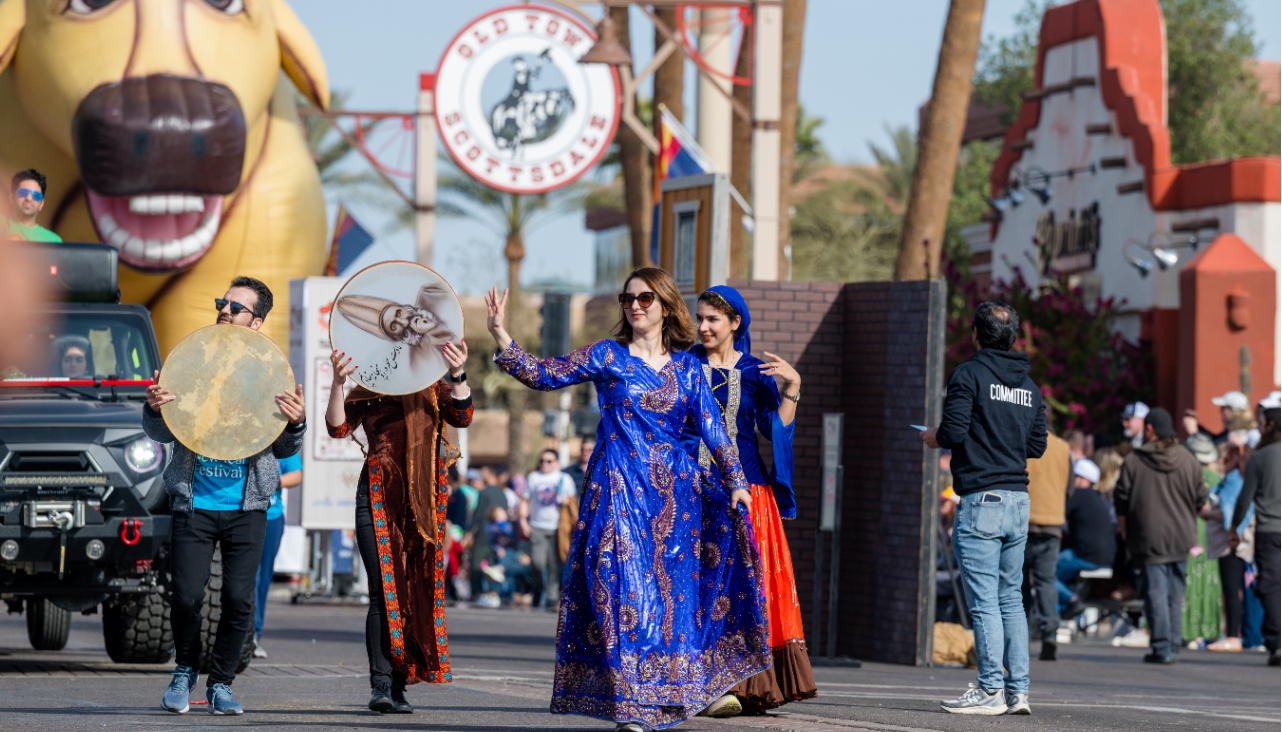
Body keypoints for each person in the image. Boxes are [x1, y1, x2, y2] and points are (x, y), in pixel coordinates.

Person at [486, 268, 769, 732]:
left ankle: (665, 693)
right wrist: (501, 333)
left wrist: (736, 480)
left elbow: (716, 433)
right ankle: (629, 703)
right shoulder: (607, 356)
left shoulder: (689, 369)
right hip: (616, 488)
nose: (635, 305)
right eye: (628, 298)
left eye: (645, 298)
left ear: (665, 305)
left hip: (676, 500)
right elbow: (542, 375)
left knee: (667, 598)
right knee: (618, 586)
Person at [145, 277, 306, 715]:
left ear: (256, 323)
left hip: (247, 507)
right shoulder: (191, 361)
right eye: (222, 303)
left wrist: (294, 424)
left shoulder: (272, 371)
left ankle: (220, 683)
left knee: (239, 599)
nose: (224, 311)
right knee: (186, 597)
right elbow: (161, 432)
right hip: (195, 502)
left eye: (236, 308)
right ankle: (184, 671)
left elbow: (284, 449)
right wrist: (154, 409)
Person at [683, 285, 816, 717]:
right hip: (692, 492)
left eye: (712, 319)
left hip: (747, 494)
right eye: (700, 318)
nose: (702, 326)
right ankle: (702, 684)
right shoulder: (683, 366)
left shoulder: (757, 371)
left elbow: (773, 431)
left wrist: (792, 387)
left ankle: (748, 685)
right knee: (697, 586)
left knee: (749, 589)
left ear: (735, 323)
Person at [324, 334, 472, 712]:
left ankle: (401, 684)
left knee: (413, 590)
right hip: (376, 497)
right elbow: (338, 428)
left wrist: (458, 373)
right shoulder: (369, 384)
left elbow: (463, 416)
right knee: (382, 591)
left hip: (424, 503)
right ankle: (381, 686)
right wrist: (338, 383)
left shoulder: (434, 385)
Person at [922, 300, 1047, 716]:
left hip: (982, 500)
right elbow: (1037, 446)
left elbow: (954, 431)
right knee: (1012, 598)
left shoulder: (969, 375)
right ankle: (1018, 692)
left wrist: (933, 436)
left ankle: (991, 689)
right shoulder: (1030, 387)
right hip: (1018, 500)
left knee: (985, 603)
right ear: (1012, 338)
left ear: (975, 333)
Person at [1113, 407, 1207, 664]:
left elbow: (1120, 500)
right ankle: (1172, 645)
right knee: (1176, 594)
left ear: (1150, 429)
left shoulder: (1134, 460)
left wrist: (1124, 528)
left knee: (1155, 592)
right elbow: (1201, 499)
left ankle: (1161, 647)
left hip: (1148, 536)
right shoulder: (1188, 459)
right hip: (1182, 536)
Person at [1230, 395, 1281, 666]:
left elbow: (1244, 498)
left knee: (1271, 586)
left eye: (1262, 423)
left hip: (1270, 530)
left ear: (1271, 424)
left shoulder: (1259, 458)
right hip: (1270, 530)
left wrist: (1233, 526)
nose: (1259, 427)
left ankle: (1277, 643)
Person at [1023, 428, 1071, 661]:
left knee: (1017, 582)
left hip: (1023, 519)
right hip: (1052, 522)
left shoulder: (1021, 439)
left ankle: (1018, 636)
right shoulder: (1063, 447)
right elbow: (1069, 488)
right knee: (1046, 580)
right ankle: (1049, 633)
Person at [251, 453, 302, 658]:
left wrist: (273, 481)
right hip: (243, 514)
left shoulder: (281, 440)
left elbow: (297, 474)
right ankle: (240, 634)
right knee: (247, 576)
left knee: (263, 579)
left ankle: (254, 635)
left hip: (272, 518)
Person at [1205, 443, 1254, 652]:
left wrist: (1207, 514)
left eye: (1222, 459)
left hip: (1231, 543)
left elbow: (1229, 513)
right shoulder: (1236, 480)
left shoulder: (1232, 482)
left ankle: (1233, 636)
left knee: (1232, 591)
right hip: (1235, 541)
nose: (1219, 463)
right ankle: (1235, 634)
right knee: (1236, 590)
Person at [1056, 459, 1116, 617]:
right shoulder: (1097, 498)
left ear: (1084, 479)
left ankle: (1072, 600)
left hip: (1085, 556)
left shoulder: (1078, 495)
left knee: (1043, 572)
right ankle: (1066, 608)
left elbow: (1057, 518)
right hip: (1105, 557)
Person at [1183, 434, 1223, 647]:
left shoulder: (1186, 476)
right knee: (1209, 582)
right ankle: (1208, 631)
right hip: (1211, 535)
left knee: (1188, 581)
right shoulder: (1216, 480)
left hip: (1188, 532)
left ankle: (1188, 631)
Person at [526, 448, 575, 608]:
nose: (544, 464)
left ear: (556, 463)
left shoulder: (564, 478)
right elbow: (525, 500)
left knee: (554, 564)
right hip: (537, 525)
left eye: (549, 461)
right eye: (542, 461)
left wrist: (566, 500)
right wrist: (522, 521)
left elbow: (573, 501)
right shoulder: (533, 477)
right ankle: (539, 588)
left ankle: (552, 596)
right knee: (537, 563)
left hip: (558, 527)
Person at [469, 466, 510, 609]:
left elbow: (479, 514)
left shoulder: (485, 492)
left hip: (484, 532)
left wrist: (470, 531)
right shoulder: (502, 493)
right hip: (499, 534)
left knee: (476, 562)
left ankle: (475, 592)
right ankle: (495, 592)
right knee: (494, 564)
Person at [5, 169, 62, 242]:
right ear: (12, 198)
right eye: (23, 192)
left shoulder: (53, 240)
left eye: (36, 195)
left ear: (41, 204)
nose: (29, 198)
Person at [1184, 391, 1249, 446]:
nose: (1220, 411)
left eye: (1223, 408)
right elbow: (1215, 439)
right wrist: (1197, 426)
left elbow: (1214, 451)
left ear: (1232, 410)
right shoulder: (1230, 431)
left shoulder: (1240, 436)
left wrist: (1194, 433)